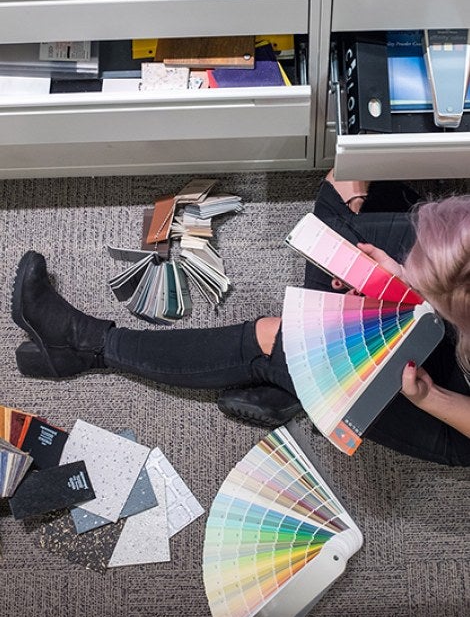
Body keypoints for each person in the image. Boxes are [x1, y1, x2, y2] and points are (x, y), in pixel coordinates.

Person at [10, 172, 470, 467]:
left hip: (453, 411)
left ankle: (84, 345)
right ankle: (292, 387)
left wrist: (429, 398)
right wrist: (400, 281)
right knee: (349, 182)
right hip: (444, 314)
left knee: (277, 338)